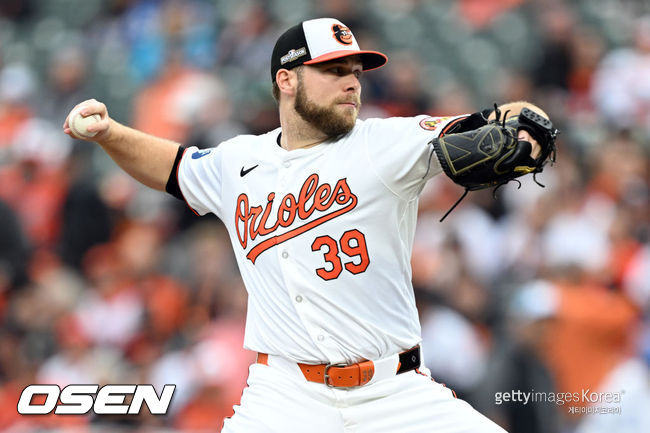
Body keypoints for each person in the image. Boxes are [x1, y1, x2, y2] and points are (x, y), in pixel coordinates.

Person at [63, 17, 555, 433]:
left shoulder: (386, 142)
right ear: (287, 79)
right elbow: (174, 167)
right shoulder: (239, 160)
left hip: (394, 392)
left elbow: (493, 123)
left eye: (356, 71)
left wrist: (524, 126)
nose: (352, 82)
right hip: (283, 396)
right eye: (334, 70)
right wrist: (110, 133)